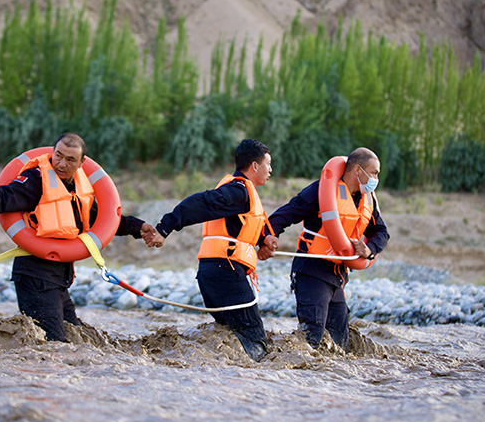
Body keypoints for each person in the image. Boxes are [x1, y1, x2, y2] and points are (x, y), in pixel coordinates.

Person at [0, 133, 161, 342]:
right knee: (55, 344)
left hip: (58, 278)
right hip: (34, 275)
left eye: (70, 159)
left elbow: (101, 219)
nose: (61, 164)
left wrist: (138, 227)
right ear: (52, 153)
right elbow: (7, 195)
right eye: (58, 156)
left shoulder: (78, 189)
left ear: (82, 162)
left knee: (75, 339)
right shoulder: (36, 179)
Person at [150, 139, 275, 362]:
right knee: (256, 342)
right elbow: (200, 203)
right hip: (225, 273)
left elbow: (242, 228)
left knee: (232, 339)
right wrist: (165, 227)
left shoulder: (244, 193)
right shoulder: (238, 191)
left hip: (214, 273)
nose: (271, 170)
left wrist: (264, 239)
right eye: (268, 164)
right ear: (254, 166)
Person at [259, 147, 390, 351]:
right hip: (312, 271)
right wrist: (268, 236)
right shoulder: (322, 190)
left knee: (339, 344)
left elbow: (381, 232)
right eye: (373, 173)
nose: (376, 179)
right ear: (357, 170)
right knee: (311, 339)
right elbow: (288, 212)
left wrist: (369, 249)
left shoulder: (368, 200)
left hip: (337, 276)